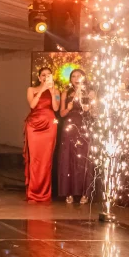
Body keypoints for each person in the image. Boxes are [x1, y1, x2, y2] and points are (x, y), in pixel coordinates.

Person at [58, 69, 95, 204]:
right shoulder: (65, 92)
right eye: (73, 76)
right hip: (69, 126)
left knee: (83, 158)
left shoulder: (90, 93)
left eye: (79, 76)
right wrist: (68, 107)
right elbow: (62, 114)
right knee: (69, 157)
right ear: (70, 79)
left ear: (84, 77)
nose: (76, 78)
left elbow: (93, 112)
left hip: (84, 126)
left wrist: (89, 107)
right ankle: (69, 192)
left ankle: (85, 192)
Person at [24, 67, 60, 203]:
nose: (46, 77)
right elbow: (32, 105)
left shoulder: (56, 91)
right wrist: (42, 89)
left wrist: (51, 91)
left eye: (48, 75)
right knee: (35, 159)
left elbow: (56, 108)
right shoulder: (31, 90)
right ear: (39, 78)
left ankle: (45, 193)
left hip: (49, 125)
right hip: (34, 125)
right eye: (43, 75)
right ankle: (33, 192)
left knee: (46, 159)